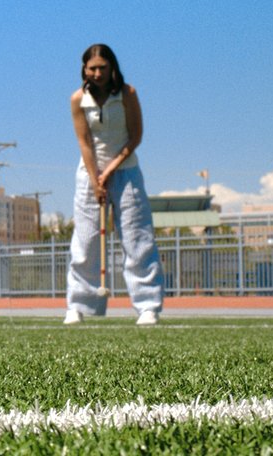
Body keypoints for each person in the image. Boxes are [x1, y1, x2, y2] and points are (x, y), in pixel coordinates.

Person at [65, 44, 164, 326]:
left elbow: (135, 137)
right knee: (85, 240)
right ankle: (78, 305)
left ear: (113, 68)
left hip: (126, 171)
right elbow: (84, 142)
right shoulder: (77, 99)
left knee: (137, 238)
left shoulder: (127, 94)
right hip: (89, 175)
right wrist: (96, 178)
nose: (97, 73)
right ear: (84, 69)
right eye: (92, 68)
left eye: (103, 68)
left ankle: (147, 306)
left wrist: (108, 171)